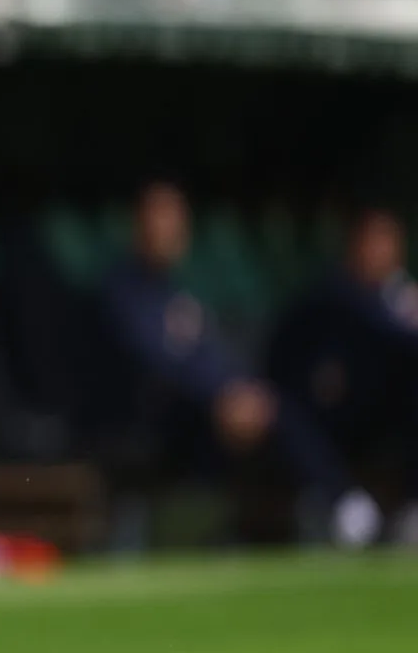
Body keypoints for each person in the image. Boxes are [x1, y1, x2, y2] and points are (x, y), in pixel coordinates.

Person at [98, 182, 352, 545]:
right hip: (146, 419)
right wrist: (220, 399)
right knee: (251, 414)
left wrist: (236, 391)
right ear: (138, 223)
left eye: (177, 221)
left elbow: (210, 356)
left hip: (201, 413)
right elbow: (155, 366)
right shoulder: (121, 290)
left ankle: (326, 506)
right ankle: (338, 502)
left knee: (267, 404)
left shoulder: (174, 291)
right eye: (161, 218)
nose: (170, 231)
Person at [266, 207, 418, 547]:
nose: (378, 252)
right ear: (353, 245)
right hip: (326, 418)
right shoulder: (327, 297)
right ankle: (342, 503)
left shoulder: (397, 299)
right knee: (286, 413)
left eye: (387, 242)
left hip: (380, 421)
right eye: (371, 241)